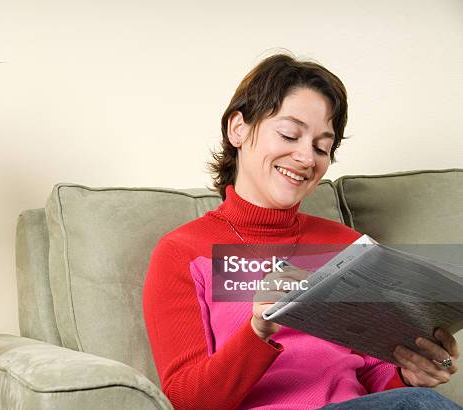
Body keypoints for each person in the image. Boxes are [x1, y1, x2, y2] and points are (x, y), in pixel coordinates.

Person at [142, 54, 460, 410]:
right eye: (289, 134)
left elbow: (375, 377)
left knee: (419, 399)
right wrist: (257, 331)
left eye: (322, 147)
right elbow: (186, 400)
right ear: (238, 129)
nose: (307, 158)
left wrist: (410, 375)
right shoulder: (184, 251)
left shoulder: (348, 247)